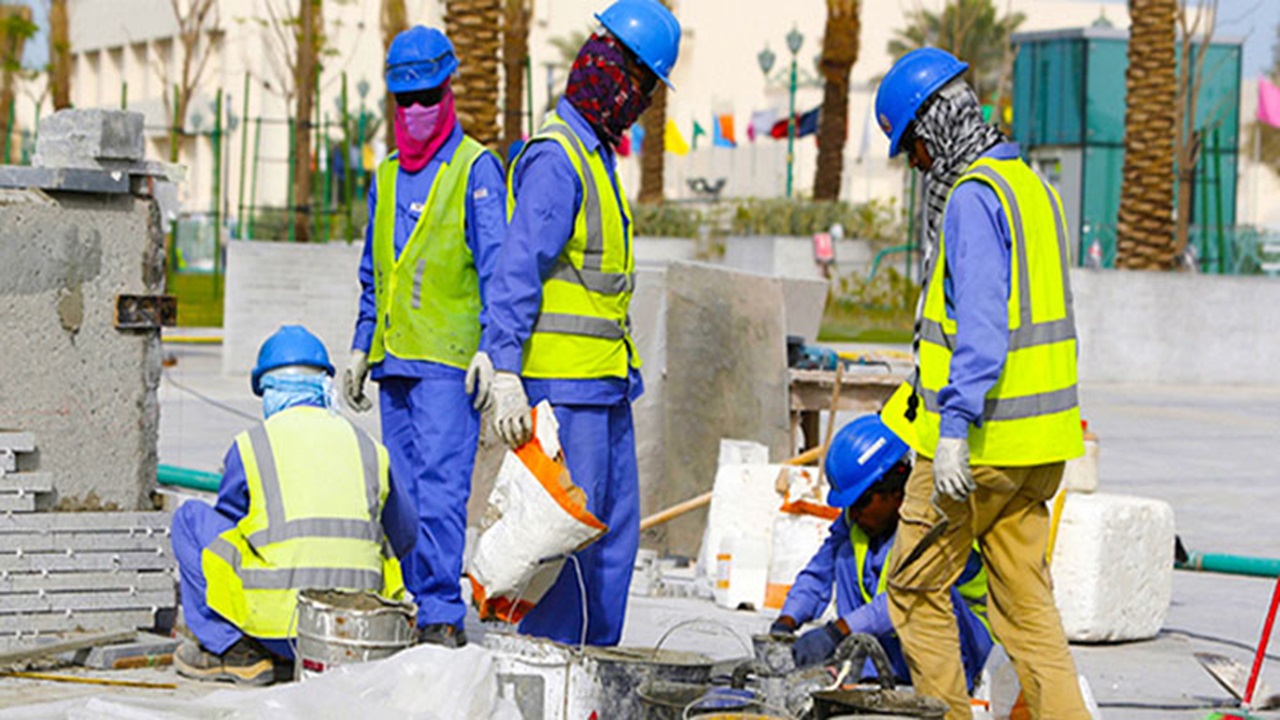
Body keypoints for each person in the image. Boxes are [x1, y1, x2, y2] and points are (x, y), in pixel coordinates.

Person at [874, 47, 1088, 719]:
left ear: (935, 127)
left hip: (978, 446)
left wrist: (955, 432)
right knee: (1025, 607)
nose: (916, 165)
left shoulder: (973, 197)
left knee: (911, 585)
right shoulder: (1032, 188)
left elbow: (984, 329)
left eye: (914, 146)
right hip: (1039, 446)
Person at [471, 0, 680, 647]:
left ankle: (597, 668)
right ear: (615, 74)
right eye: (642, 85)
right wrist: (505, 368)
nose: (642, 102)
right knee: (566, 544)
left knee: (612, 543)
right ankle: (556, 674)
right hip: (563, 394)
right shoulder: (558, 158)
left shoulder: (594, 158)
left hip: (606, 388)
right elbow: (517, 270)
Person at [341, 25, 506, 648]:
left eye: (426, 97)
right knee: (403, 497)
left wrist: (496, 350)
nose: (414, 111)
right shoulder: (385, 177)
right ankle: (415, 599)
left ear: (448, 90)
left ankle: (441, 613)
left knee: (440, 492)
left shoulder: (475, 169)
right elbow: (374, 272)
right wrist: (361, 346)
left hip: (448, 364)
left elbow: (497, 270)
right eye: (403, 101)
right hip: (395, 362)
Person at [171, 325, 416, 685]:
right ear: (324, 386)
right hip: (350, 630)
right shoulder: (368, 447)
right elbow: (407, 533)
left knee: (190, 519)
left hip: (276, 627)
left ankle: (234, 651)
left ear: (268, 390)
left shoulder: (253, 445)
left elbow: (229, 531)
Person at [771, 415, 992, 689]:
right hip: (897, 638)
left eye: (862, 502)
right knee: (843, 557)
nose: (855, 513)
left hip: (962, 641)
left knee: (924, 592)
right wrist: (786, 623)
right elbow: (819, 573)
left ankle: (937, 684)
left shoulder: (936, 519)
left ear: (895, 491)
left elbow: (909, 597)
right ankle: (863, 672)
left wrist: (836, 632)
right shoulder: (857, 521)